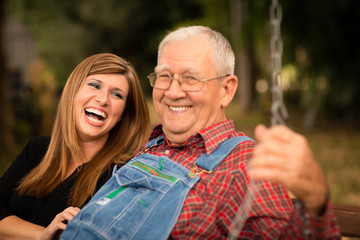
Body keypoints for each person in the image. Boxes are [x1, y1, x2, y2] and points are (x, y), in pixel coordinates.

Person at [61, 26, 340, 239]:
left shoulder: (244, 165)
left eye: (191, 78)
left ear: (226, 90)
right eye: (165, 76)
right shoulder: (150, 144)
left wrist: (316, 205)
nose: (172, 91)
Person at [0, 53, 150, 239]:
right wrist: (42, 234)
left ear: (123, 115)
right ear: (73, 91)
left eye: (116, 94)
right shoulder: (37, 149)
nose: (103, 99)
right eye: (95, 85)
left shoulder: (122, 176)